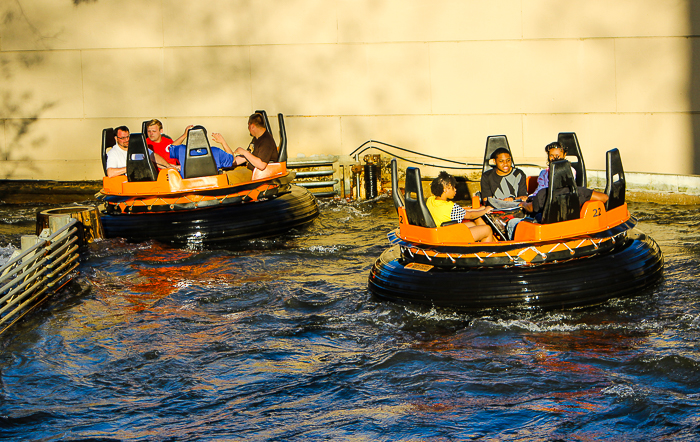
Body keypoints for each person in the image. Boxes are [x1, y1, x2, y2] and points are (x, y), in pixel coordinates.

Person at [426, 171, 495, 242]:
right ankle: (487, 251)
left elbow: (462, 211)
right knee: (487, 229)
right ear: (446, 189)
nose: (455, 190)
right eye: (453, 188)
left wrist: (479, 209)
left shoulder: (430, 200)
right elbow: (470, 215)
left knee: (473, 224)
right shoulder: (450, 206)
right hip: (449, 237)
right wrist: (485, 211)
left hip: (439, 232)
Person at [211, 113, 279, 183]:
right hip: (248, 169)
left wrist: (244, 152)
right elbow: (245, 157)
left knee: (226, 177)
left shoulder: (266, 141)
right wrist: (228, 160)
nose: (248, 129)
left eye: (248, 126)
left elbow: (261, 165)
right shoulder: (257, 138)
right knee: (224, 171)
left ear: (252, 126)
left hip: (255, 173)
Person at [105, 126, 176, 178]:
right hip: (129, 182)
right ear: (116, 138)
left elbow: (153, 156)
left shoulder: (135, 146)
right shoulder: (113, 153)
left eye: (128, 137)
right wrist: (132, 167)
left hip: (144, 178)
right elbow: (110, 173)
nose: (126, 140)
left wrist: (168, 166)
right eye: (123, 138)